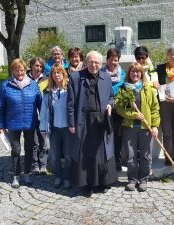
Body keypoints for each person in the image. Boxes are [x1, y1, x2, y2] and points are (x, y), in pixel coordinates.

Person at [69, 51, 117, 197]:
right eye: (91, 62)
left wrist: (110, 105)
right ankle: (86, 184)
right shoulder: (75, 77)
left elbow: (111, 97)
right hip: (83, 120)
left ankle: (102, 182)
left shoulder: (106, 77)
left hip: (101, 119)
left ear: (101, 64)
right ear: (86, 62)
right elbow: (70, 103)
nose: (94, 65)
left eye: (97, 62)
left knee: (101, 153)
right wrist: (71, 123)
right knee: (85, 153)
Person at [0, 58, 42, 188]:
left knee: (29, 148)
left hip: (30, 122)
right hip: (13, 123)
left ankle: (27, 173)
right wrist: (1, 126)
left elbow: (40, 104)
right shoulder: (5, 85)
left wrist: (44, 121)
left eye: (21, 70)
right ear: (12, 71)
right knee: (16, 150)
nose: (20, 73)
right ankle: (16, 176)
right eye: (17, 70)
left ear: (25, 70)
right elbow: (0, 107)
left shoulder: (33, 84)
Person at [115, 62, 160, 192]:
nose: (135, 74)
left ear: (142, 74)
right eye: (133, 71)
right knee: (130, 154)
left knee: (146, 155)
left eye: (138, 71)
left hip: (146, 128)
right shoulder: (123, 90)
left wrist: (155, 126)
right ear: (129, 73)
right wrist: (134, 115)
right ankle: (132, 179)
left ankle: (144, 179)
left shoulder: (149, 89)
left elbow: (155, 109)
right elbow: (119, 108)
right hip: (129, 127)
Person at [39, 65, 75, 189]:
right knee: (54, 155)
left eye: (59, 72)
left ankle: (67, 178)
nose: (56, 75)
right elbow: (44, 111)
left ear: (64, 74)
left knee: (68, 155)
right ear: (51, 76)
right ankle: (58, 176)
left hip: (68, 128)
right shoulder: (48, 92)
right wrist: (43, 128)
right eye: (54, 73)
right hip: (54, 129)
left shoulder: (70, 89)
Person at [100, 48, 126, 171]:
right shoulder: (101, 72)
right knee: (106, 135)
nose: (113, 62)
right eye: (111, 59)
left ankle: (118, 161)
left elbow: (125, 88)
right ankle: (107, 160)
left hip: (118, 109)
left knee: (118, 136)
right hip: (105, 107)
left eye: (115, 60)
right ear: (107, 60)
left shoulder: (123, 74)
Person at [27, 57, 49, 175]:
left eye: (40, 66)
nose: (38, 68)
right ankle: (34, 165)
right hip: (30, 115)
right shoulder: (25, 79)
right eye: (36, 65)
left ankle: (43, 165)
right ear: (31, 66)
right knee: (33, 142)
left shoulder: (46, 79)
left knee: (43, 141)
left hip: (43, 115)